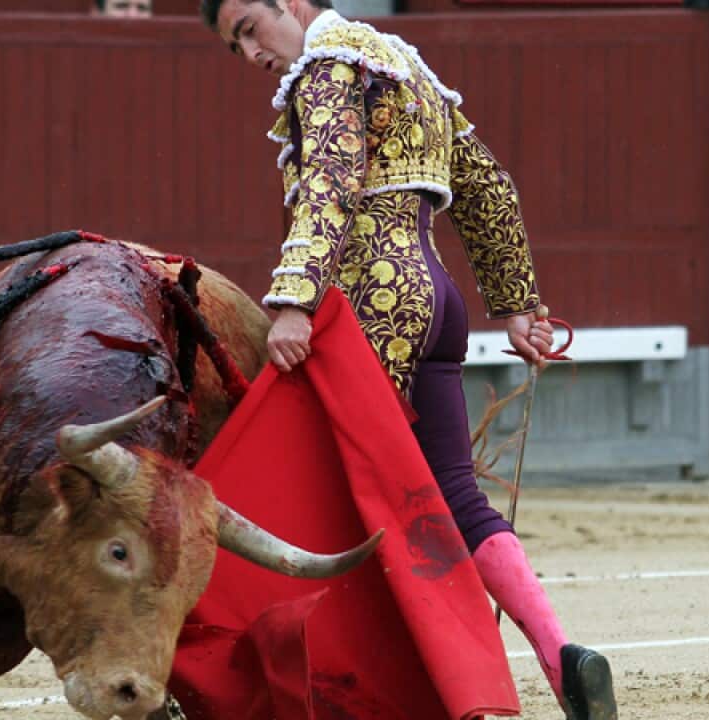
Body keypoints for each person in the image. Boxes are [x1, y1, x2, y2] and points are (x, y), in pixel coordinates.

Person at [197, 1, 618, 718]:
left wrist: (295, 298)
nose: (249, 52)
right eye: (233, 42)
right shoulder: (404, 63)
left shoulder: (327, 64)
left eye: (248, 26)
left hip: (373, 301)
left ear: (292, 2)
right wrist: (517, 303)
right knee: (453, 497)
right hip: (437, 300)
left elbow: (329, 177)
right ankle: (558, 656)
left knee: (339, 492)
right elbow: (485, 183)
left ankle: (379, 684)